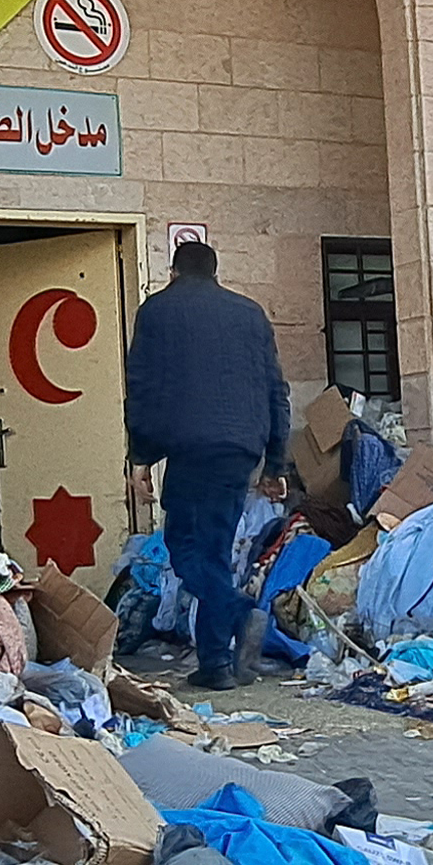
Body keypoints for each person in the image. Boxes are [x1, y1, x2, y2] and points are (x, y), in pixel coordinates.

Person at [124, 239, 290, 692]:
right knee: (216, 551)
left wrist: (140, 456)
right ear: (216, 273)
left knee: (183, 545)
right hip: (241, 449)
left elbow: (142, 386)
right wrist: (276, 460)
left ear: (173, 272)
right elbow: (276, 388)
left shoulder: (157, 311)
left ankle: (238, 612)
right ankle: (216, 664)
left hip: (190, 448)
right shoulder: (250, 314)